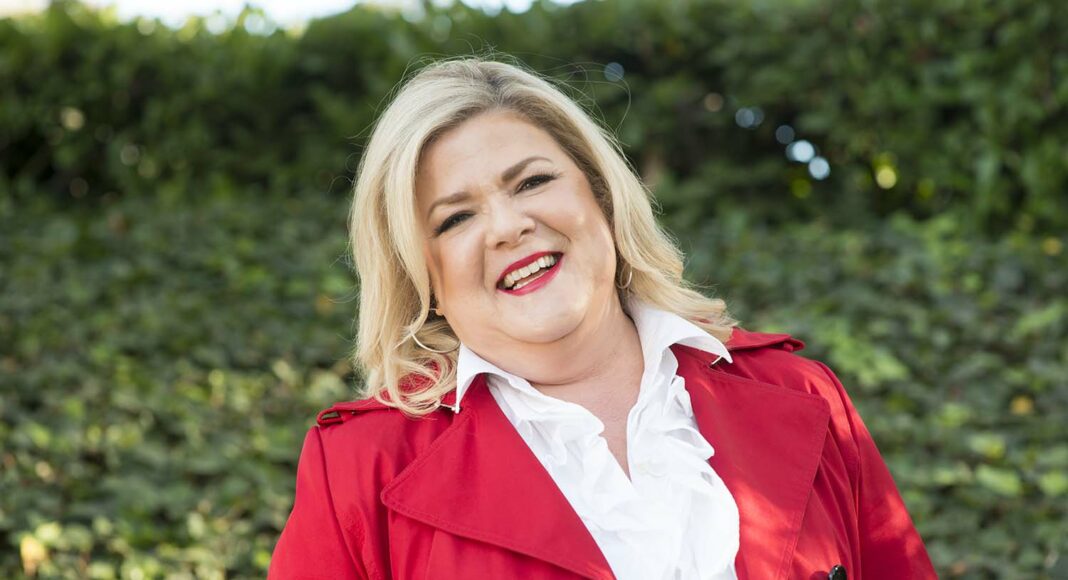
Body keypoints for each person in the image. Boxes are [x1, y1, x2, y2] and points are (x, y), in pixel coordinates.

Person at [267, 56, 936, 580]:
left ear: (603, 199)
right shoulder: (361, 469)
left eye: (532, 182)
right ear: (422, 274)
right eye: (456, 217)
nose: (508, 226)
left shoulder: (803, 395)